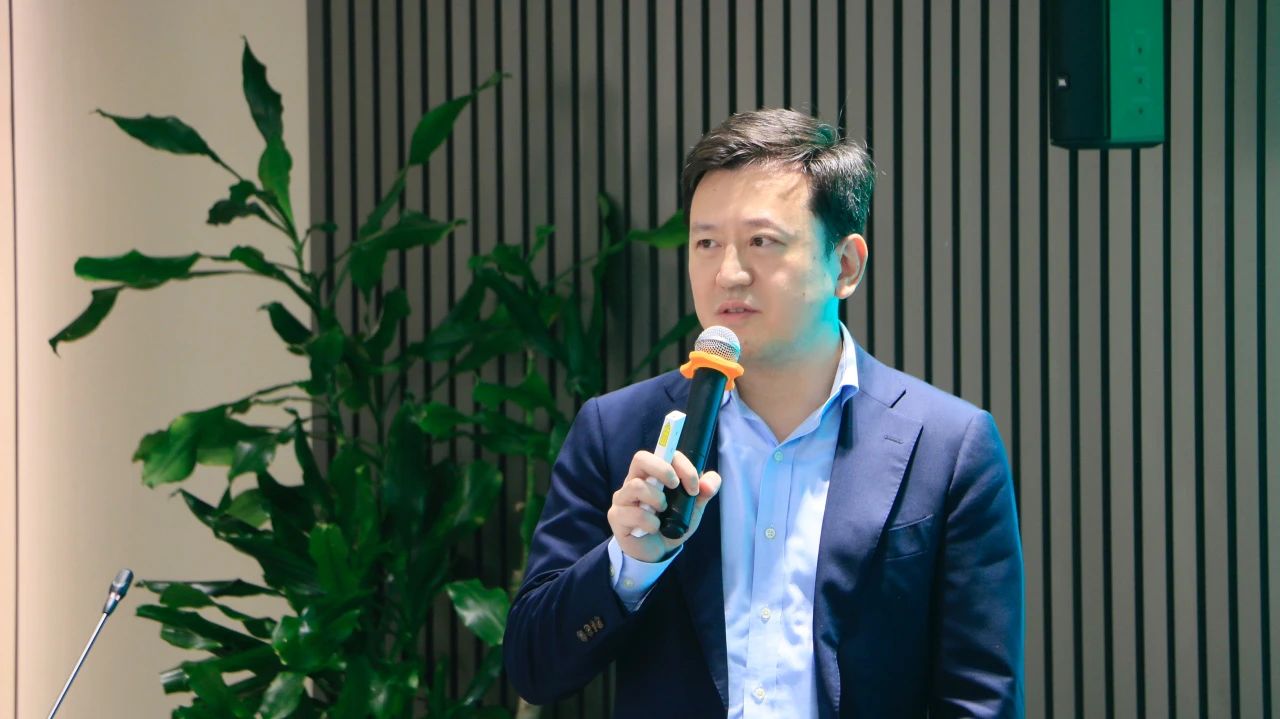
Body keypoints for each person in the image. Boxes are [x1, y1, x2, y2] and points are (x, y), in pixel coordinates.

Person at [504, 108, 1024, 718]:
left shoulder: (948, 445)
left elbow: (979, 699)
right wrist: (628, 564)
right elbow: (534, 668)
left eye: (762, 241)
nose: (728, 273)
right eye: (706, 243)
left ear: (846, 266)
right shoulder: (618, 430)